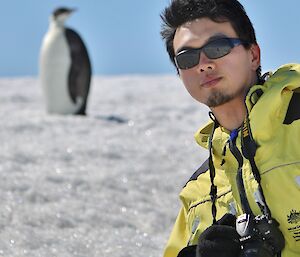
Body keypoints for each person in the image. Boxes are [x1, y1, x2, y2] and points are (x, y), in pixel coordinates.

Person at [160, 0, 300, 257]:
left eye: (217, 47)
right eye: (187, 57)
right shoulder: (198, 192)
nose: (203, 63)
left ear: (253, 55)